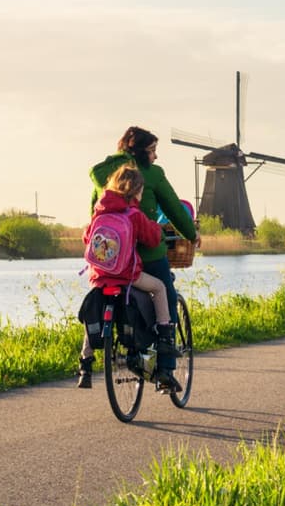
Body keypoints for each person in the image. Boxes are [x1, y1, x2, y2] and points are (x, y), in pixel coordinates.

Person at [83, 126, 199, 391]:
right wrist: (191, 235)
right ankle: (166, 369)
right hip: (145, 256)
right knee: (166, 293)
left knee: (100, 296)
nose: (155, 156)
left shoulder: (104, 175)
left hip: (109, 260)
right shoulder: (150, 175)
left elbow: (93, 214)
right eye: (152, 150)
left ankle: (86, 358)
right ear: (138, 152)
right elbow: (174, 208)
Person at [77, 166, 182, 389]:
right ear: (136, 190)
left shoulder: (100, 211)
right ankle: (165, 337)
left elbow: (87, 237)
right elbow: (151, 238)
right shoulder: (133, 214)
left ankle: (85, 363)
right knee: (160, 288)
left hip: (100, 276)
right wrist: (157, 230)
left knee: (95, 309)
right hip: (126, 276)